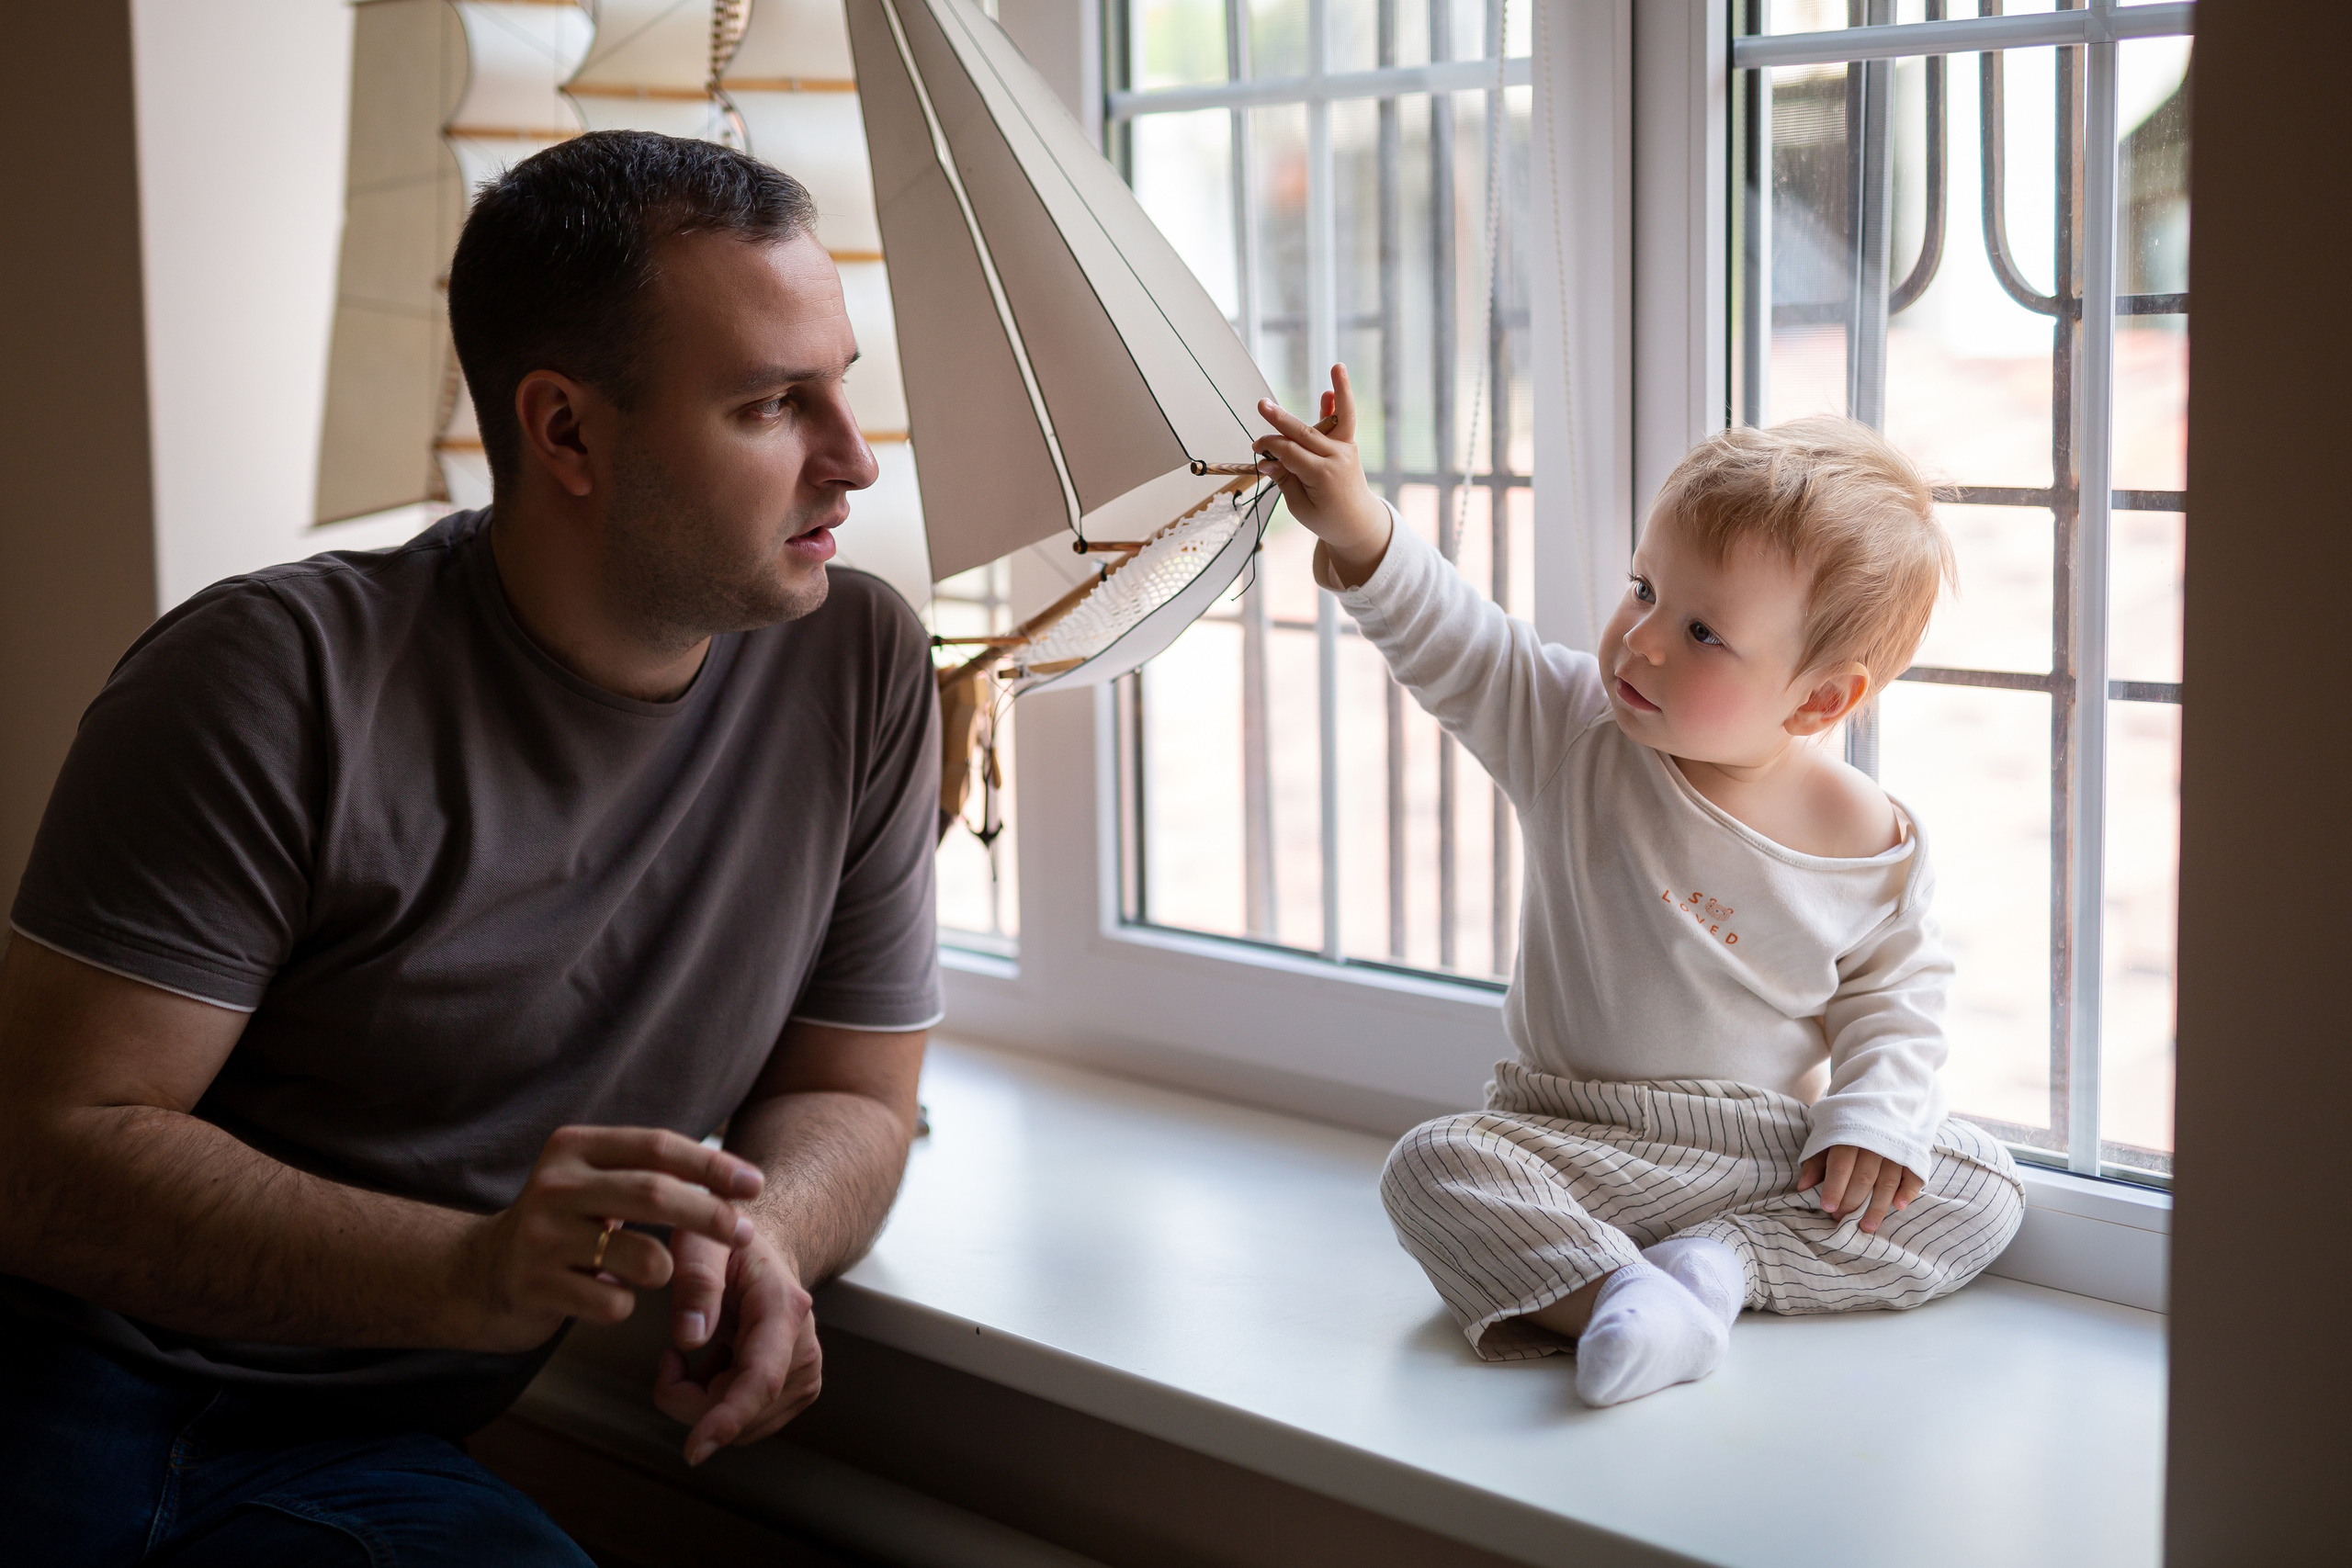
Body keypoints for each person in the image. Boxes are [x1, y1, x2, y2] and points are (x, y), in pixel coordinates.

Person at [0, 131, 943, 1562]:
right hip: (70, 1380)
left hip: (367, 1441)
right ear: (565, 432)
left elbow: (856, 1094)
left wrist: (767, 1236)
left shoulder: (855, 661)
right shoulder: (270, 680)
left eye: (841, 387)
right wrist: (470, 1266)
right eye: (770, 405)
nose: (855, 460)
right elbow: (42, 1157)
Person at [1252, 368, 2024, 1408]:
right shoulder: (1575, 730)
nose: (1643, 637)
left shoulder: (1864, 833)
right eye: (1643, 588)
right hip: (1567, 1137)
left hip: (1755, 1155)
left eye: (1704, 633)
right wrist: (1354, 522)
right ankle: (1625, 1293)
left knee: (1979, 1188)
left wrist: (1871, 1121)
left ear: (1819, 699)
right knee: (1431, 1165)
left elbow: (1897, 998)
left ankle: (1715, 1273)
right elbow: (1454, 637)